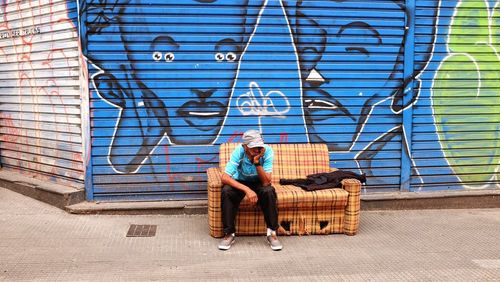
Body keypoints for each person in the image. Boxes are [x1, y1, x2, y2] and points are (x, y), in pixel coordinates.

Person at [218, 130, 282, 251]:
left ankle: (272, 233)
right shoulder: (239, 151)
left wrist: (257, 163)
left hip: (259, 181)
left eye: (259, 147)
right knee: (226, 191)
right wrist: (247, 190)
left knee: (269, 191)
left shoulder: (267, 151)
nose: (257, 150)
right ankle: (229, 234)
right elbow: (224, 177)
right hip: (241, 182)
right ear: (245, 146)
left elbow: (266, 182)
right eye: (254, 147)